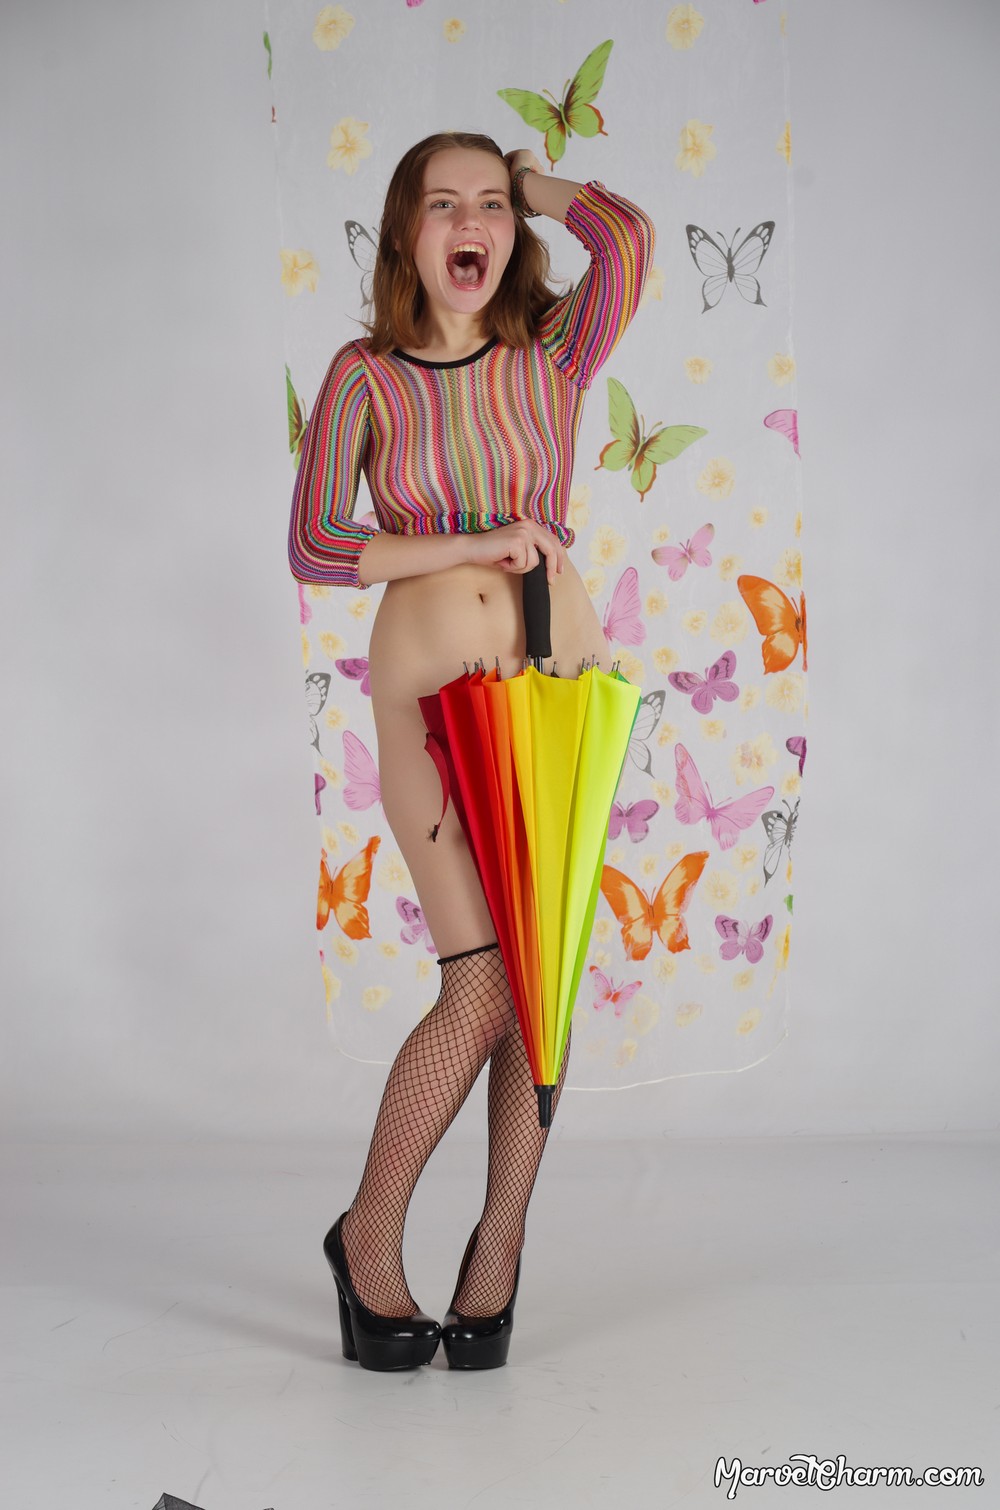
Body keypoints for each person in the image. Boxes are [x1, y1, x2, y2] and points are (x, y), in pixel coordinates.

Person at [288, 131, 654, 1371]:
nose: (472, 224)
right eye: (442, 204)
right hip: (431, 702)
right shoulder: (365, 376)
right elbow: (318, 544)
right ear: (407, 231)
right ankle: (367, 1234)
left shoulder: (552, 351)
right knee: (483, 981)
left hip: (555, 691)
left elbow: (628, 238)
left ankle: (498, 1246)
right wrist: (472, 542)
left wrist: (530, 175)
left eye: (490, 205)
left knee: (537, 986)